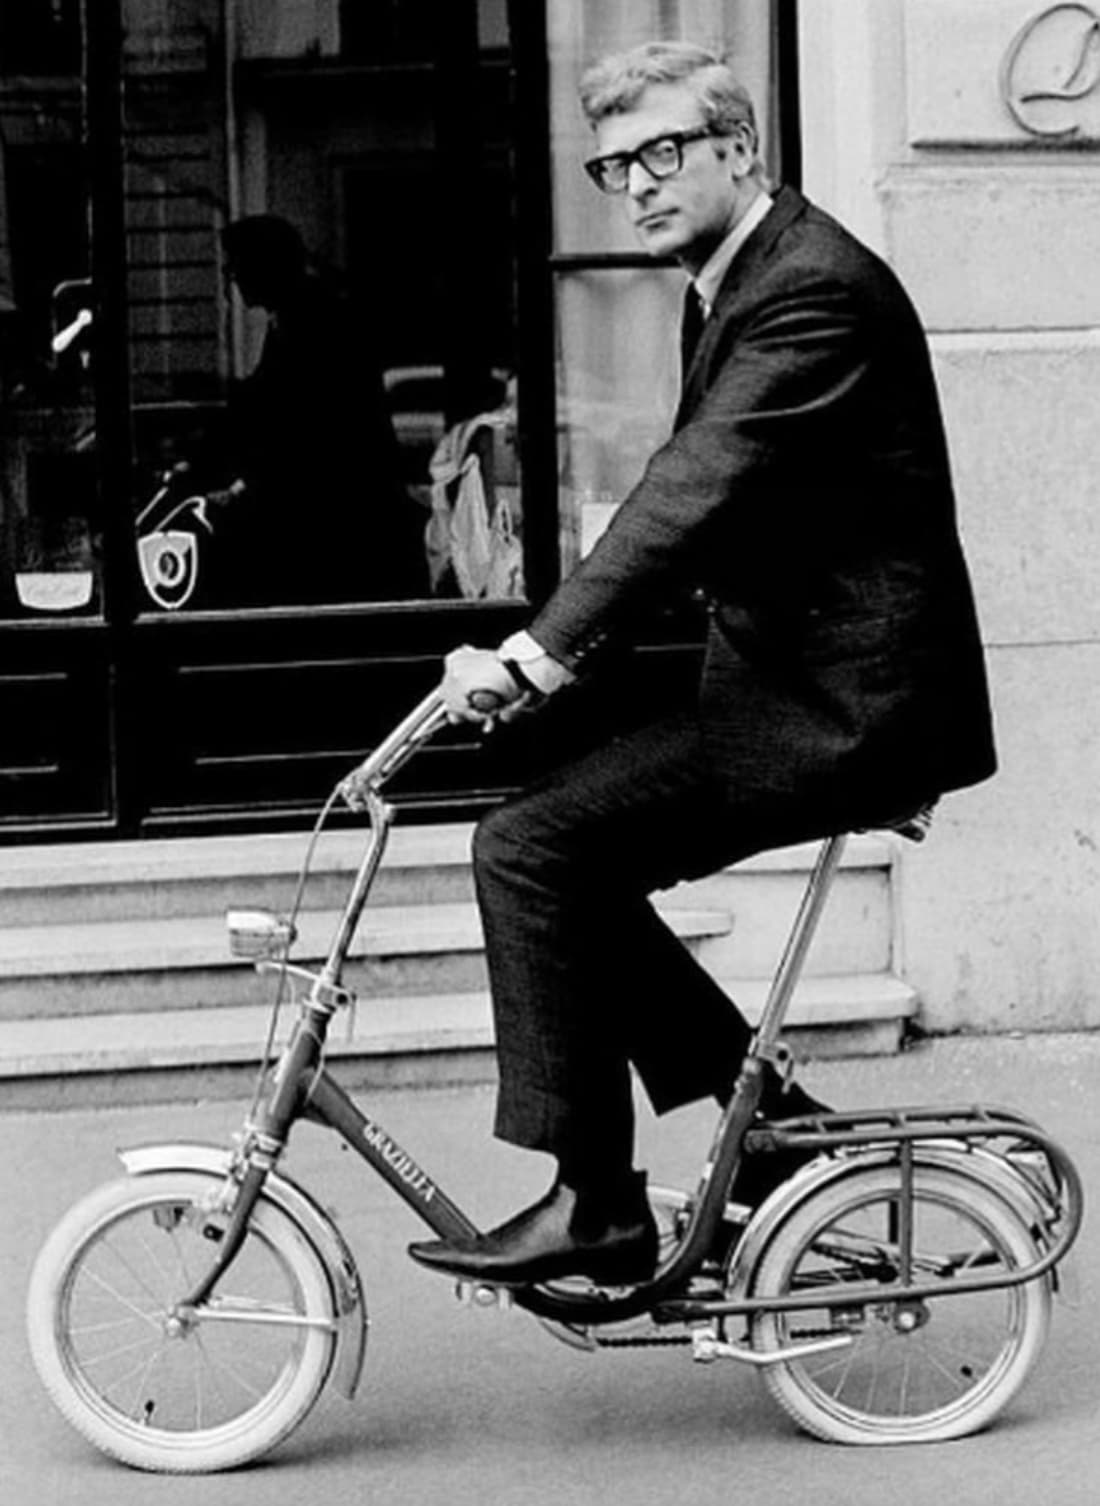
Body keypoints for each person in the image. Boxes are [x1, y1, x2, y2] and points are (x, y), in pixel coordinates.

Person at [408, 42, 996, 1288]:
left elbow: (694, 490)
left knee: (528, 848)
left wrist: (536, 650)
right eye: (614, 165)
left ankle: (597, 1201)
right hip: (789, 675)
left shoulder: (808, 288)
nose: (635, 184)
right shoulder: (738, 276)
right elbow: (716, 514)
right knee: (562, 849)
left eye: (662, 153)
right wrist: (564, 670)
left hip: (841, 708)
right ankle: (767, 1127)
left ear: (738, 148)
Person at [202, 214, 426, 605]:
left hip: (333, 517)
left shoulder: (309, 321)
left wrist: (241, 483)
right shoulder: (298, 316)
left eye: (236, 264)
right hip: (332, 509)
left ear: (263, 265)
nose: (231, 276)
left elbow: (292, 422)